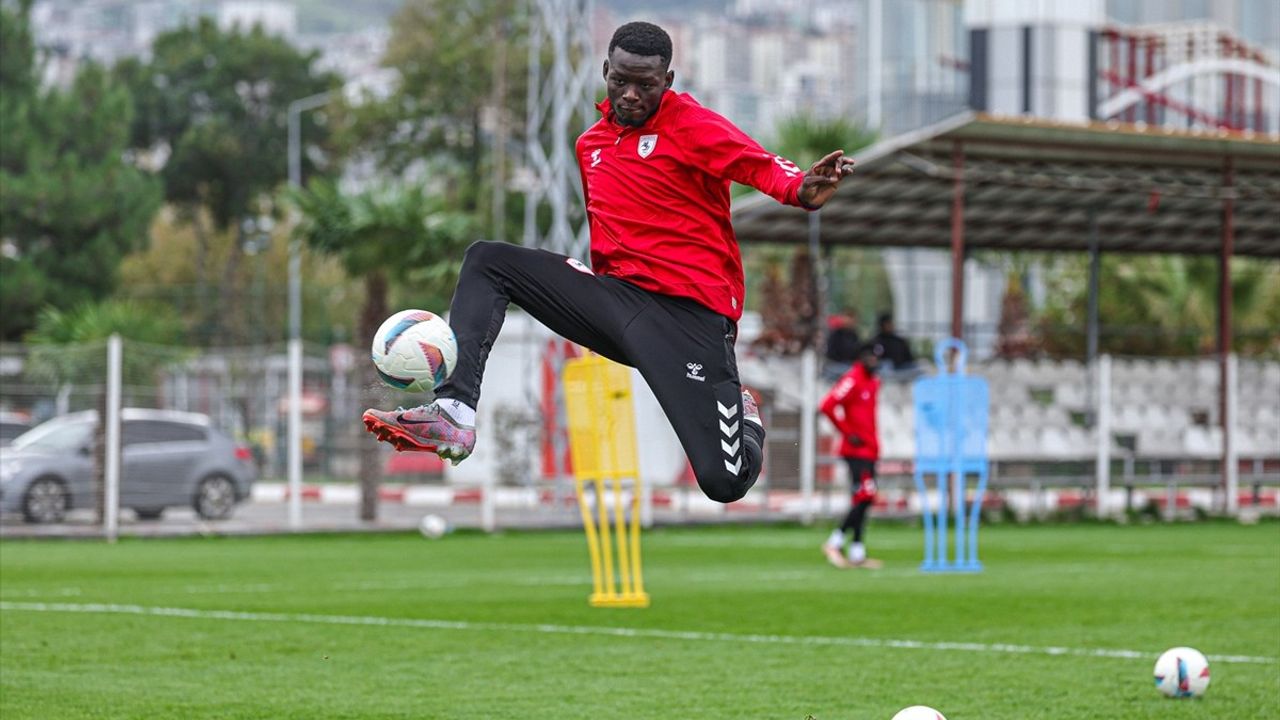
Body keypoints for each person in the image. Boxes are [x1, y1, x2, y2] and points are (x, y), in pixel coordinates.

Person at [363, 21, 857, 504]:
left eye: (646, 85)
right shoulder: (591, 146)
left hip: (688, 323)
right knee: (488, 261)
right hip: (617, 303)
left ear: (669, 81)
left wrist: (801, 189)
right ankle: (454, 411)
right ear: (605, 71)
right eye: (621, 81)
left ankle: (743, 416)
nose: (631, 95)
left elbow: (756, 163)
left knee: (723, 483)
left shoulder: (693, 125)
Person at [819, 343, 882, 568]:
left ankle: (856, 552)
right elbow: (827, 405)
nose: (874, 363)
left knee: (863, 498)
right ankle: (834, 542)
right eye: (871, 358)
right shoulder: (852, 379)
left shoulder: (874, 382)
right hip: (856, 451)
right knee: (866, 495)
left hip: (870, 449)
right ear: (861, 358)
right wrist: (847, 432)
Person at [822, 309, 860, 381]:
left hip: (849, 365)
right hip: (836, 365)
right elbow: (831, 352)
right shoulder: (836, 334)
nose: (849, 321)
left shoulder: (854, 335)